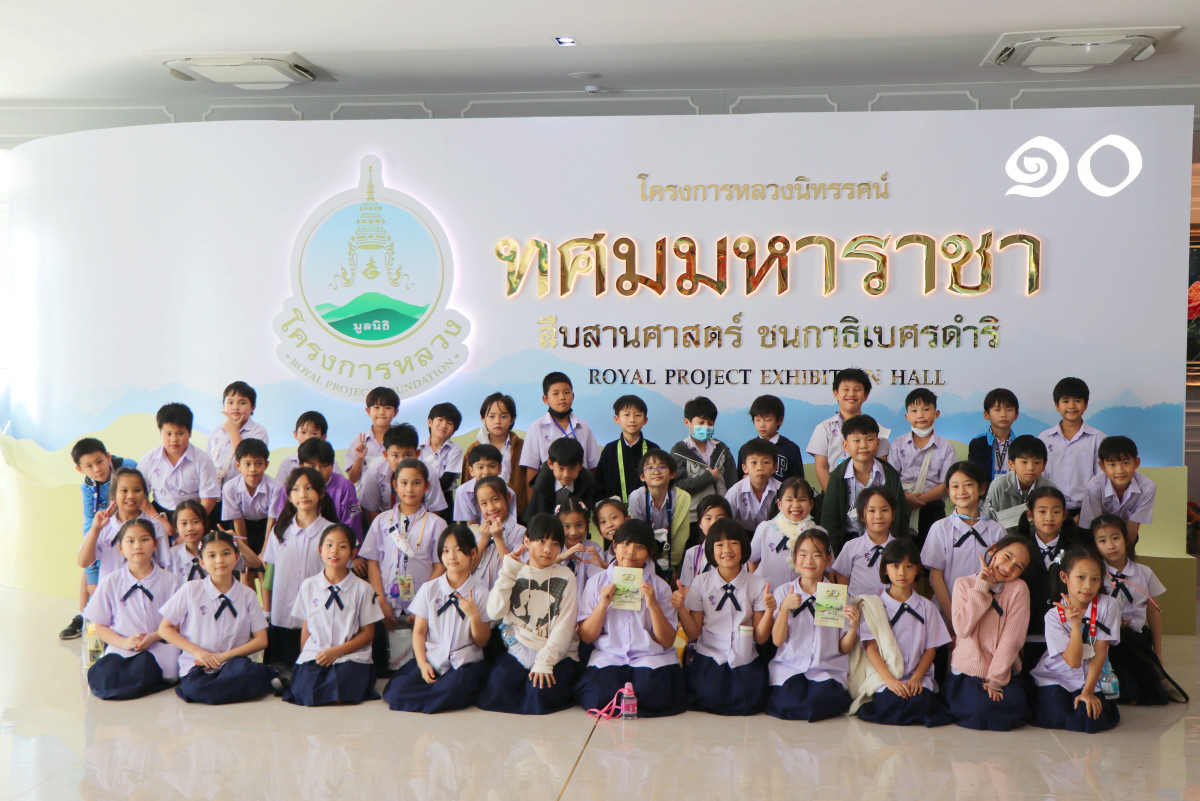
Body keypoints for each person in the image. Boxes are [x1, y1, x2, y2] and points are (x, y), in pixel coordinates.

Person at [576, 520, 685, 717]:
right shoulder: (596, 583)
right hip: (610, 655)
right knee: (598, 695)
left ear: (650, 553)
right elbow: (586, 636)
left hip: (649, 657)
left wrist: (652, 604)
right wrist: (602, 605)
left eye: (640, 547)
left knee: (652, 693)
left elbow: (667, 641)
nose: (631, 552)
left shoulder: (660, 587)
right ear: (615, 546)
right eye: (625, 544)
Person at [478, 514, 581, 714]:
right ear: (527, 541)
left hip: (556, 653)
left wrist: (545, 661)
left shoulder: (566, 576)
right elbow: (494, 612)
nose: (548, 549)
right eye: (541, 541)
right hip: (520, 648)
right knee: (498, 687)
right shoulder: (514, 570)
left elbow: (565, 625)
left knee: (538, 693)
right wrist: (508, 572)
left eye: (555, 544)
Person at [158, 530, 277, 704]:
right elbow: (164, 629)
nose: (220, 560)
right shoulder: (191, 590)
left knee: (242, 672)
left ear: (237, 557)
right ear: (202, 562)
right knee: (198, 688)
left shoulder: (247, 594)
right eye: (212, 556)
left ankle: (254, 679)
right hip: (197, 663)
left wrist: (224, 657)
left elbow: (261, 640)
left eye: (226, 553)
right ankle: (265, 679)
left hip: (233, 663)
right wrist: (198, 652)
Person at [384, 525, 491, 712]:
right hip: (433, 658)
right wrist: (423, 664)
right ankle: (433, 694)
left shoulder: (481, 593)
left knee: (451, 689)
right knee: (396, 690)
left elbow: (482, 641)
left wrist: (474, 617)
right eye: (446, 551)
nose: (452, 556)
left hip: (463, 663)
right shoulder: (430, 589)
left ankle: (437, 695)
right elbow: (419, 632)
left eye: (459, 550)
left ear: (473, 553)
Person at [673, 518, 774, 715]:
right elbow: (693, 633)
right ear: (711, 550)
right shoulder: (701, 582)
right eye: (719, 544)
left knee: (748, 699)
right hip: (710, 655)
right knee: (709, 695)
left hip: (744, 657)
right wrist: (681, 609)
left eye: (733, 543)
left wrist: (769, 611)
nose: (727, 550)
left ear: (744, 547)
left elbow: (761, 638)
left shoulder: (758, 584)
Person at [360, 458, 447, 672]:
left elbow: (440, 567)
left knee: (418, 663)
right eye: (404, 483)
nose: (410, 489)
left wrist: (422, 604)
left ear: (426, 486)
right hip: (386, 603)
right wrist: (380, 600)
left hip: (422, 604)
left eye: (416, 483)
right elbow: (373, 562)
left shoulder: (436, 524)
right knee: (387, 662)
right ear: (395, 485)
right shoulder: (382, 521)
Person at [766, 528, 860, 721]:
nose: (808, 561)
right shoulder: (784, 592)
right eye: (802, 555)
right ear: (794, 558)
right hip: (790, 667)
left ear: (828, 560)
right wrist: (784, 609)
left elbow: (843, 648)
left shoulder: (834, 595)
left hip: (825, 669)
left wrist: (853, 627)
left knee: (819, 702)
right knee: (787, 701)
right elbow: (777, 641)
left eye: (817, 555)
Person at [855, 539, 951, 726]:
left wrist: (917, 678)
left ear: (917, 570)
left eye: (908, 566)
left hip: (918, 677)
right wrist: (890, 680)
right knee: (892, 703)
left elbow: (931, 649)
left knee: (921, 702)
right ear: (885, 569)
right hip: (886, 677)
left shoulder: (927, 607)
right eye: (895, 566)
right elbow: (871, 649)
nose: (902, 572)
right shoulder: (875, 606)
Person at [283, 524, 382, 706]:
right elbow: (306, 628)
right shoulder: (309, 586)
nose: (334, 551)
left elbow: (368, 633)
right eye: (329, 545)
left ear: (353, 553)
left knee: (343, 688)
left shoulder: (363, 588)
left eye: (342, 546)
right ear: (320, 550)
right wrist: (305, 658)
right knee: (307, 692)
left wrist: (337, 652)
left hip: (351, 656)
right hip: (317, 654)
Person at [83, 519, 183, 699]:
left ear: (155, 544)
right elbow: (100, 627)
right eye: (130, 541)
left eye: (144, 539)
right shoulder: (110, 582)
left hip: (157, 648)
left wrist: (152, 637)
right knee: (103, 674)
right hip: (122, 648)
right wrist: (125, 643)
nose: (138, 546)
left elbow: (176, 625)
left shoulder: (171, 581)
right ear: (120, 548)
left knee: (144, 666)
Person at [1092, 515, 1185, 705]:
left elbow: (1153, 612)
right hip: (1107, 641)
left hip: (1137, 638)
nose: (1110, 545)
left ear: (1127, 540)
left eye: (1115, 538)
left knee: (1154, 693)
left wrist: (1158, 651)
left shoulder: (1144, 572)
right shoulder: (1095, 574)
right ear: (1095, 546)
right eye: (1102, 541)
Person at [943, 535, 1033, 730]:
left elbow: (1012, 640)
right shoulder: (963, 584)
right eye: (1007, 557)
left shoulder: (1019, 589)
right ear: (993, 550)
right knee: (981, 710)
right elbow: (963, 629)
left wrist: (995, 681)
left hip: (1002, 673)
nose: (1008, 567)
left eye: (1018, 566)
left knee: (1015, 705)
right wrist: (981, 587)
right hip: (968, 672)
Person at [1029, 548, 1121, 732]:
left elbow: (1101, 650)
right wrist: (1076, 625)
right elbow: (1073, 661)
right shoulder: (1053, 616)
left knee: (1090, 718)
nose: (1088, 586)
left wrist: (1088, 691)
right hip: (1057, 675)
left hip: (1090, 676)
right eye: (1080, 577)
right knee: (1057, 712)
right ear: (1065, 577)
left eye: (1095, 579)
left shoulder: (1109, 605)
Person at [261, 467, 338, 669]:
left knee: (311, 669)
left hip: (319, 615)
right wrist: (267, 612)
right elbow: (270, 575)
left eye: (309, 488)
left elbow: (339, 575)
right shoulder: (279, 531)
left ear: (321, 493)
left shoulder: (331, 532)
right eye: (295, 489)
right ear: (289, 496)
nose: (302, 494)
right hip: (283, 614)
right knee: (279, 671)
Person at [64, 438, 137, 640]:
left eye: (99, 461)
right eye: (89, 466)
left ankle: (97, 619)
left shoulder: (128, 467)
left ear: (108, 457)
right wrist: (92, 576)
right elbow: (89, 527)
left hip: (132, 528)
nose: (97, 469)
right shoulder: (88, 488)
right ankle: (85, 617)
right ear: (79, 469)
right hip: (106, 533)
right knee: (88, 567)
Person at [922, 461, 1004, 626]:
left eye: (968, 485)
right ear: (948, 491)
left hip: (987, 614)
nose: (961, 491)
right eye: (955, 486)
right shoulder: (940, 528)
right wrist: (953, 619)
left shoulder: (996, 530)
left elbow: (1000, 576)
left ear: (982, 488)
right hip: (947, 615)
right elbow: (935, 578)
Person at [820, 415, 908, 553]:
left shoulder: (890, 475)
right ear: (846, 446)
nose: (863, 446)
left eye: (869, 439)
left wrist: (900, 551)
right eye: (856, 440)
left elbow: (901, 517)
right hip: (848, 543)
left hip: (885, 543)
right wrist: (834, 557)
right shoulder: (837, 478)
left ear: (877, 443)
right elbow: (830, 522)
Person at [1017, 486, 1082, 669]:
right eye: (1042, 511)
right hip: (1026, 636)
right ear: (1030, 514)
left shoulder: (1076, 551)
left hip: (1066, 635)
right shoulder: (1020, 549)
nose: (1049, 517)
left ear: (1065, 514)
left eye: (1056, 511)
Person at [77, 467, 171, 585]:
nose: (130, 496)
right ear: (113, 494)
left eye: (137, 490)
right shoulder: (104, 526)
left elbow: (164, 565)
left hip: (146, 591)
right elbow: (83, 562)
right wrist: (96, 528)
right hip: (111, 592)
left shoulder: (155, 526)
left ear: (144, 494)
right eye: (124, 490)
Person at [806, 368, 891, 492]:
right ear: (836, 394)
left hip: (870, 497)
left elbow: (883, 469)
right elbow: (821, 468)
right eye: (846, 389)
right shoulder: (824, 428)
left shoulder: (876, 429)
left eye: (857, 389)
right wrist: (833, 497)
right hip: (834, 493)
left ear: (866, 395)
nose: (851, 394)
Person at [891, 388, 954, 545]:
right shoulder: (898, 444)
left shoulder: (946, 447)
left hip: (932, 507)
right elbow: (891, 479)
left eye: (926, 409)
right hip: (902, 506)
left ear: (936, 413)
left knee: (932, 552)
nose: (920, 415)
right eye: (914, 410)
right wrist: (905, 500)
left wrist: (920, 500)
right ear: (907, 416)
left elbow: (946, 484)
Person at [671, 396, 737, 546]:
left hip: (720, 517)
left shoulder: (722, 449)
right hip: (692, 518)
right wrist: (707, 477)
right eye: (701, 423)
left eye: (710, 423)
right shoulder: (679, 451)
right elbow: (677, 485)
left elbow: (733, 483)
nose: (706, 427)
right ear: (687, 422)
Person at [1038, 377, 1105, 519]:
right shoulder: (1044, 438)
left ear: (1086, 404)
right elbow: (1039, 476)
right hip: (1050, 511)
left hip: (1086, 510)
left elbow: (1101, 480)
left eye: (1078, 401)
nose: (1072, 406)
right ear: (1057, 405)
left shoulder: (1098, 438)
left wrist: (1085, 514)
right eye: (1066, 401)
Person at [519, 371, 601, 487]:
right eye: (556, 394)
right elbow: (531, 470)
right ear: (545, 399)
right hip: (547, 490)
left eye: (566, 392)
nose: (562, 397)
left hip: (580, 490)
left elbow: (593, 467)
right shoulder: (536, 428)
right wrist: (534, 498)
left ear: (573, 396)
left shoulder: (583, 427)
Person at [222, 438, 283, 593]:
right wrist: (245, 552)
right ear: (238, 465)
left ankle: (267, 608)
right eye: (247, 464)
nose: (253, 469)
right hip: (244, 528)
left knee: (264, 571)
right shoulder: (229, 488)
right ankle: (248, 607)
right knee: (246, 572)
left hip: (267, 528)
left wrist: (265, 551)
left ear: (266, 465)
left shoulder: (276, 487)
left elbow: (272, 521)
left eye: (258, 463)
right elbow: (238, 521)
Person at [139, 403, 221, 516]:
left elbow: (209, 500)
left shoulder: (203, 460)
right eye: (168, 434)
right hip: (159, 514)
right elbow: (140, 495)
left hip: (196, 514)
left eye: (180, 433)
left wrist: (191, 523)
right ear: (160, 433)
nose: (174, 439)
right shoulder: (148, 460)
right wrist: (159, 520)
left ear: (190, 433)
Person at [360, 424, 448, 526]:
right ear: (386, 455)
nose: (401, 461)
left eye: (407, 455)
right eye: (395, 455)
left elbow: (434, 509)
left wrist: (422, 531)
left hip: (420, 522)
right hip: (385, 523)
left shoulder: (428, 472)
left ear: (417, 454)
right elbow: (371, 510)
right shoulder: (373, 472)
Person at [626, 448, 691, 579]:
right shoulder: (636, 497)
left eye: (662, 467)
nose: (656, 471)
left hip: (671, 554)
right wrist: (649, 564)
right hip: (643, 554)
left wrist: (671, 566)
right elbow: (638, 535)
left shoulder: (682, 497)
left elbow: (680, 536)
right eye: (649, 468)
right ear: (642, 476)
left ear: (672, 474)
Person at [749, 476, 821, 590]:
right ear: (779, 504)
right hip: (768, 594)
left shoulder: (819, 533)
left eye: (802, 500)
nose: (796, 505)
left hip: (804, 596)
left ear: (811, 504)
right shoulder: (765, 528)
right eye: (789, 499)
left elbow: (827, 569)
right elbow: (752, 560)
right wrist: (756, 586)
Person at [461, 392, 526, 519]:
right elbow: (466, 483)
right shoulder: (474, 449)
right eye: (491, 416)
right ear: (483, 419)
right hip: (483, 515)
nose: (497, 421)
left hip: (517, 514)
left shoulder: (522, 446)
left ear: (512, 419)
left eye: (504, 416)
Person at [1079, 436, 1156, 543]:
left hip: (1125, 534)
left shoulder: (1147, 488)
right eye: (1112, 464)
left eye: (1126, 463)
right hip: (1095, 535)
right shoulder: (1094, 487)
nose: (1120, 471)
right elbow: (1093, 527)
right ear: (1102, 466)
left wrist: (1125, 550)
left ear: (1136, 463)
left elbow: (1133, 528)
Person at [831, 486, 896, 600]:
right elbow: (841, 589)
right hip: (858, 609)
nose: (878, 516)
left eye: (884, 510)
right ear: (861, 515)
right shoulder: (851, 547)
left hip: (892, 610)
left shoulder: (900, 549)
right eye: (872, 510)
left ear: (893, 514)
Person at [984, 435, 1056, 534]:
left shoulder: (1049, 489)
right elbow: (987, 522)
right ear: (1012, 464)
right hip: (1004, 541)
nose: (1031, 468)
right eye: (1024, 462)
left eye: (1037, 462)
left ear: (1044, 466)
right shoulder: (998, 486)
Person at [298, 438, 363, 546]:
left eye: (324, 466)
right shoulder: (294, 488)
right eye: (312, 466)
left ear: (332, 465)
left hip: (336, 546)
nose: (318, 471)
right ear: (301, 466)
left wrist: (352, 551)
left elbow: (353, 523)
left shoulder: (345, 487)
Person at [596, 394, 659, 504]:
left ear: (645, 420)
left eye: (637, 415)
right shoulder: (609, 450)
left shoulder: (653, 450)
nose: (632, 420)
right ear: (617, 419)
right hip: (615, 511)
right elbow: (599, 485)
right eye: (627, 415)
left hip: (648, 510)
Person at [208, 381, 269, 489]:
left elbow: (249, 460)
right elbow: (207, 460)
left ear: (253, 407)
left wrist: (233, 432)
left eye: (242, 403)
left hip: (240, 491)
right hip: (213, 490)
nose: (235, 407)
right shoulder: (217, 431)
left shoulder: (258, 432)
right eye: (230, 402)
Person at [524, 438, 600, 522]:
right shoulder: (543, 481)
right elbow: (540, 517)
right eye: (561, 468)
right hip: (539, 522)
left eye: (572, 468)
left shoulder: (587, 482)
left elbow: (584, 516)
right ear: (550, 464)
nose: (566, 475)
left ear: (580, 465)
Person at [471, 475, 526, 588]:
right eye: (484, 503)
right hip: (477, 592)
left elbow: (513, 570)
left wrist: (498, 538)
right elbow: (468, 569)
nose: (491, 508)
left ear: (508, 497)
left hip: (504, 592)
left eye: (495, 499)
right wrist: (484, 539)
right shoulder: (476, 531)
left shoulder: (520, 532)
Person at [555, 496, 607, 607]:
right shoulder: (551, 548)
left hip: (585, 610)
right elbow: (538, 570)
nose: (573, 532)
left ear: (587, 523)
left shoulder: (593, 549)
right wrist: (560, 557)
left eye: (579, 525)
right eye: (566, 526)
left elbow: (598, 584)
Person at [346, 386, 400, 487]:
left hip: (395, 495)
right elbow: (352, 479)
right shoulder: (359, 442)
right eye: (377, 407)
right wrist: (359, 458)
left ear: (395, 412)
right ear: (368, 411)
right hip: (366, 496)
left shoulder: (401, 440)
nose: (382, 412)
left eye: (388, 408)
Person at [420, 401, 464, 522]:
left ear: (454, 430)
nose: (444, 425)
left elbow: (447, 481)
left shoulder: (455, 450)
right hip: (419, 500)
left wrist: (421, 486)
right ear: (430, 422)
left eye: (449, 423)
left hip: (445, 501)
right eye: (440, 420)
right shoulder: (418, 449)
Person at [724, 439, 780, 534]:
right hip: (742, 534)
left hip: (774, 533)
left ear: (775, 467)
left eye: (766, 462)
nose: (760, 468)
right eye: (754, 462)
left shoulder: (781, 489)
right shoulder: (735, 491)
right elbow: (726, 521)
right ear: (744, 468)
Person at [678, 497, 733, 592]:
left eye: (720, 518)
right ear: (700, 523)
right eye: (708, 518)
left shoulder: (736, 551)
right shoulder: (692, 554)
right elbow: (688, 592)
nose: (714, 523)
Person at [453, 444, 517, 526]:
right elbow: (470, 524)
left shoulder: (508, 492)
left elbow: (510, 521)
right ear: (471, 471)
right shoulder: (462, 492)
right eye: (480, 467)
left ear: (500, 469)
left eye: (492, 466)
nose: (486, 472)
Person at [747, 394, 804, 482]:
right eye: (757, 420)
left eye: (767, 420)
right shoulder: (747, 449)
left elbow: (798, 482)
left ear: (779, 420)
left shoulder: (791, 449)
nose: (762, 425)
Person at [967, 388, 1020, 482]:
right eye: (997, 410)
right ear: (987, 415)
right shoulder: (978, 444)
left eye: (1009, 409)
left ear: (1016, 415)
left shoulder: (1021, 445)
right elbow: (976, 477)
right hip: (987, 491)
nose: (1003, 414)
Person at [276, 411, 343, 482]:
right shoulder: (287, 463)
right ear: (295, 434)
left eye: (314, 434)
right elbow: (280, 487)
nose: (308, 437)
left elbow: (340, 483)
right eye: (303, 432)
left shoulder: (329, 461)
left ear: (323, 437)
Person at [167, 501, 216, 583]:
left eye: (195, 522)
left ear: (205, 523)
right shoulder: (172, 555)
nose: (190, 528)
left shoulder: (215, 550)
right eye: (184, 523)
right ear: (176, 528)